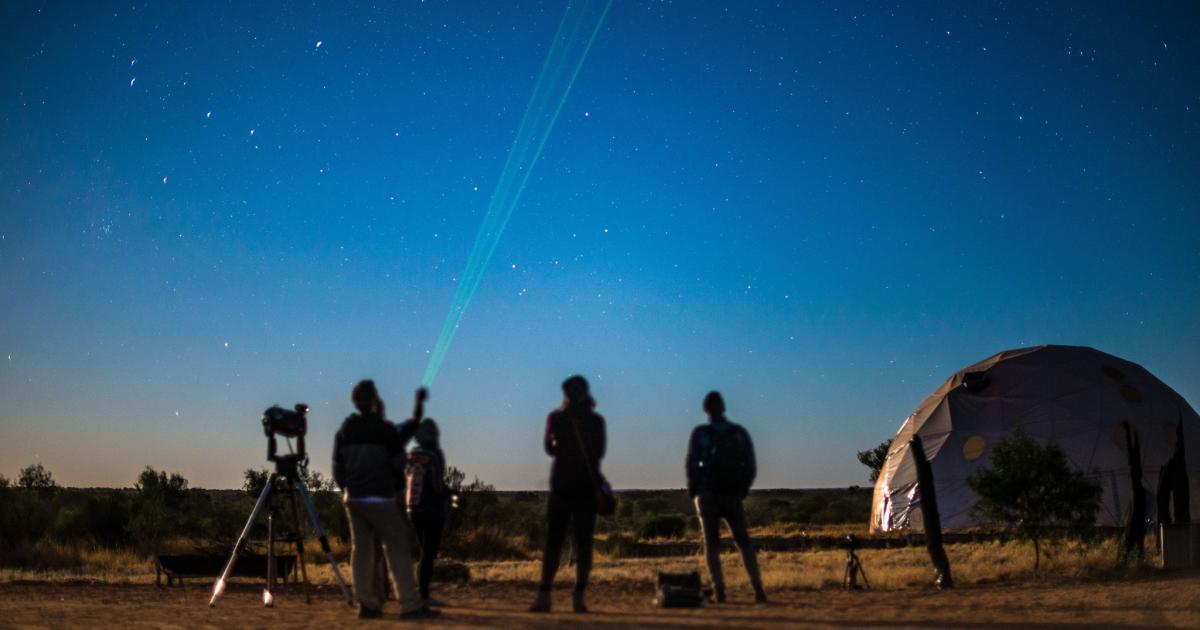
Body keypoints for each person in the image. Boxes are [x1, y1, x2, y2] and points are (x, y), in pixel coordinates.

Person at [332, 380, 439, 620]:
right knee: (398, 547)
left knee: (361, 550)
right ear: (373, 400)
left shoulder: (345, 431)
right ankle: (409, 604)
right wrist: (394, 486)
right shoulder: (385, 430)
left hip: (354, 497)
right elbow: (399, 463)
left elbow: (338, 469)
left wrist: (347, 488)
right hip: (380, 497)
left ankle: (367, 605)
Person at [529, 375, 606, 614]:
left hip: (562, 486)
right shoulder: (595, 421)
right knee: (584, 543)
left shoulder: (556, 419)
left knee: (553, 542)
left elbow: (549, 449)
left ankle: (544, 595)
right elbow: (598, 452)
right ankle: (578, 596)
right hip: (585, 487)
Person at [685, 391, 767, 604]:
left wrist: (695, 491)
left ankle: (719, 588)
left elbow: (692, 464)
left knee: (711, 544)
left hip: (707, 495)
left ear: (705, 409)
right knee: (743, 542)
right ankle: (758, 588)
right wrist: (742, 490)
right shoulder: (739, 433)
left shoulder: (700, 433)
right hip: (732, 495)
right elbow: (750, 465)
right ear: (723, 407)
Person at [405, 418, 450, 606]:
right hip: (433, 509)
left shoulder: (412, 453)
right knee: (429, 553)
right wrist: (450, 493)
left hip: (413, 508)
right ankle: (423, 593)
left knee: (423, 551)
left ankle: (419, 590)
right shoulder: (435, 454)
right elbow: (437, 484)